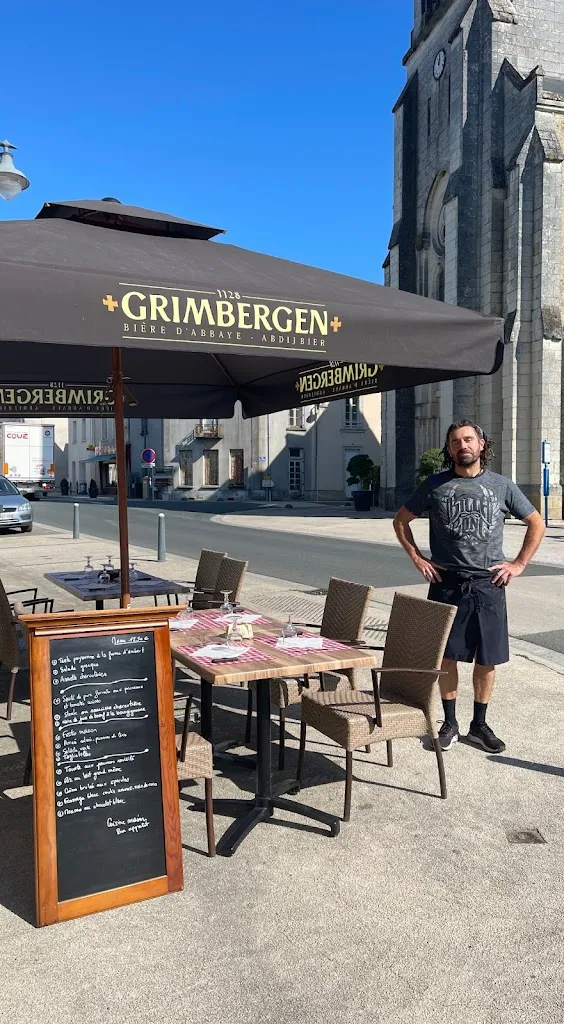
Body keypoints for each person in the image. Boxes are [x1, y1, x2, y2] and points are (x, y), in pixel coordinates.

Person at [393, 420, 545, 754]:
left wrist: (518, 563)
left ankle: (479, 724)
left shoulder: (502, 486)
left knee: (486, 659)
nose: (462, 445)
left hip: (488, 584)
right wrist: (419, 559)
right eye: (455, 441)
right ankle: (450, 723)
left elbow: (536, 522)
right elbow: (401, 521)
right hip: (446, 584)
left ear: (481, 445)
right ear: (449, 450)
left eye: (468, 439)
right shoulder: (434, 485)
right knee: (447, 657)